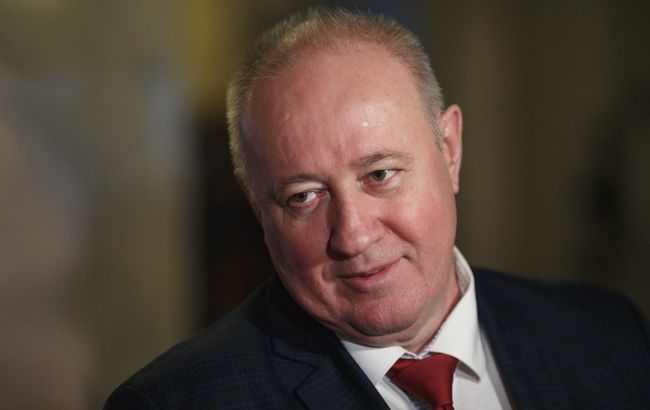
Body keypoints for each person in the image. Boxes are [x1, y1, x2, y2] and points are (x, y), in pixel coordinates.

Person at [105, 8, 650, 409]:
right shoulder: (178, 402)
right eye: (304, 196)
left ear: (450, 150)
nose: (353, 235)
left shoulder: (608, 336)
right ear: (258, 209)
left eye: (380, 175)